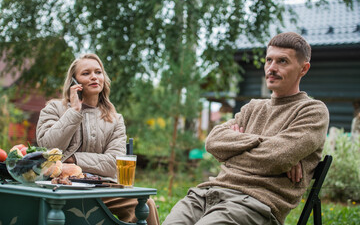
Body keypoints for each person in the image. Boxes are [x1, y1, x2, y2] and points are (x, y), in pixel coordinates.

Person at [163, 32, 330, 225]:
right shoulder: (252, 107)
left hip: (253, 204)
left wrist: (234, 151)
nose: (272, 68)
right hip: (205, 195)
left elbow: (276, 157)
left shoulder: (313, 111)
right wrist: (265, 144)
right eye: (269, 60)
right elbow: (213, 142)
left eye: (282, 61)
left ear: (303, 69)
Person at [36, 53, 159, 225]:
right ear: (74, 82)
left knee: (146, 205)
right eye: (86, 73)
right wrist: (74, 112)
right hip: (61, 186)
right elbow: (48, 148)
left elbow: (112, 163)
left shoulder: (115, 119)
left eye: (98, 72)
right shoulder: (54, 109)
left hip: (103, 189)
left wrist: (73, 158)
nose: (94, 76)